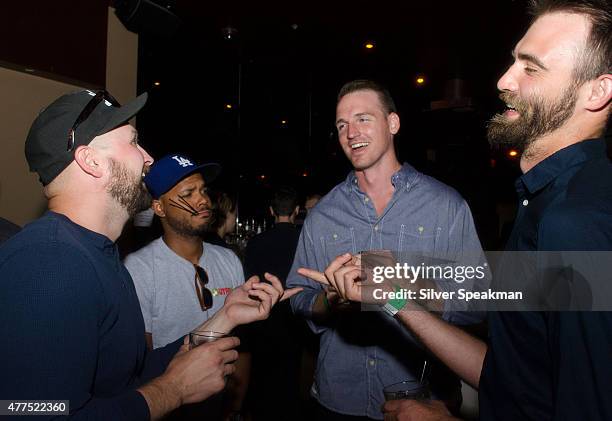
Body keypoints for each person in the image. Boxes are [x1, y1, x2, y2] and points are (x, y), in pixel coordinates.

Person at [300, 1, 612, 420]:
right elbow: (517, 372)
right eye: (513, 62)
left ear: (598, 91)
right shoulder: (544, 202)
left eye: (531, 68)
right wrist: (393, 296)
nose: (504, 79)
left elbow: (584, 403)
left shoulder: (576, 218)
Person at [0, 90, 299, 420]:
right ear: (91, 161)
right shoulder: (49, 262)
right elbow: (30, 413)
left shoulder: (98, 255)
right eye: (133, 141)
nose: (147, 158)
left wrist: (224, 317)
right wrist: (173, 390)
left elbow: (128, 377)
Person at [286, 80, 485, 420]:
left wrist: (401, 291)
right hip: (339, 399)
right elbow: (299, 297)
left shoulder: (445, 205)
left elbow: (478, 300)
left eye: (363, 118)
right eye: (341, 124)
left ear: (392, 123)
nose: (351, 132)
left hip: (422, 401)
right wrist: (329, 301)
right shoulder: (322, 215)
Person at [244, 186, 305, 420]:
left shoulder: (257, 242)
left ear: (271, 211)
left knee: (263, 376)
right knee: (292, 375)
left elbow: (250, 280)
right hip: (296, 316)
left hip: (265, 315)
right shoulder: (304, 239)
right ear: (296, 211)